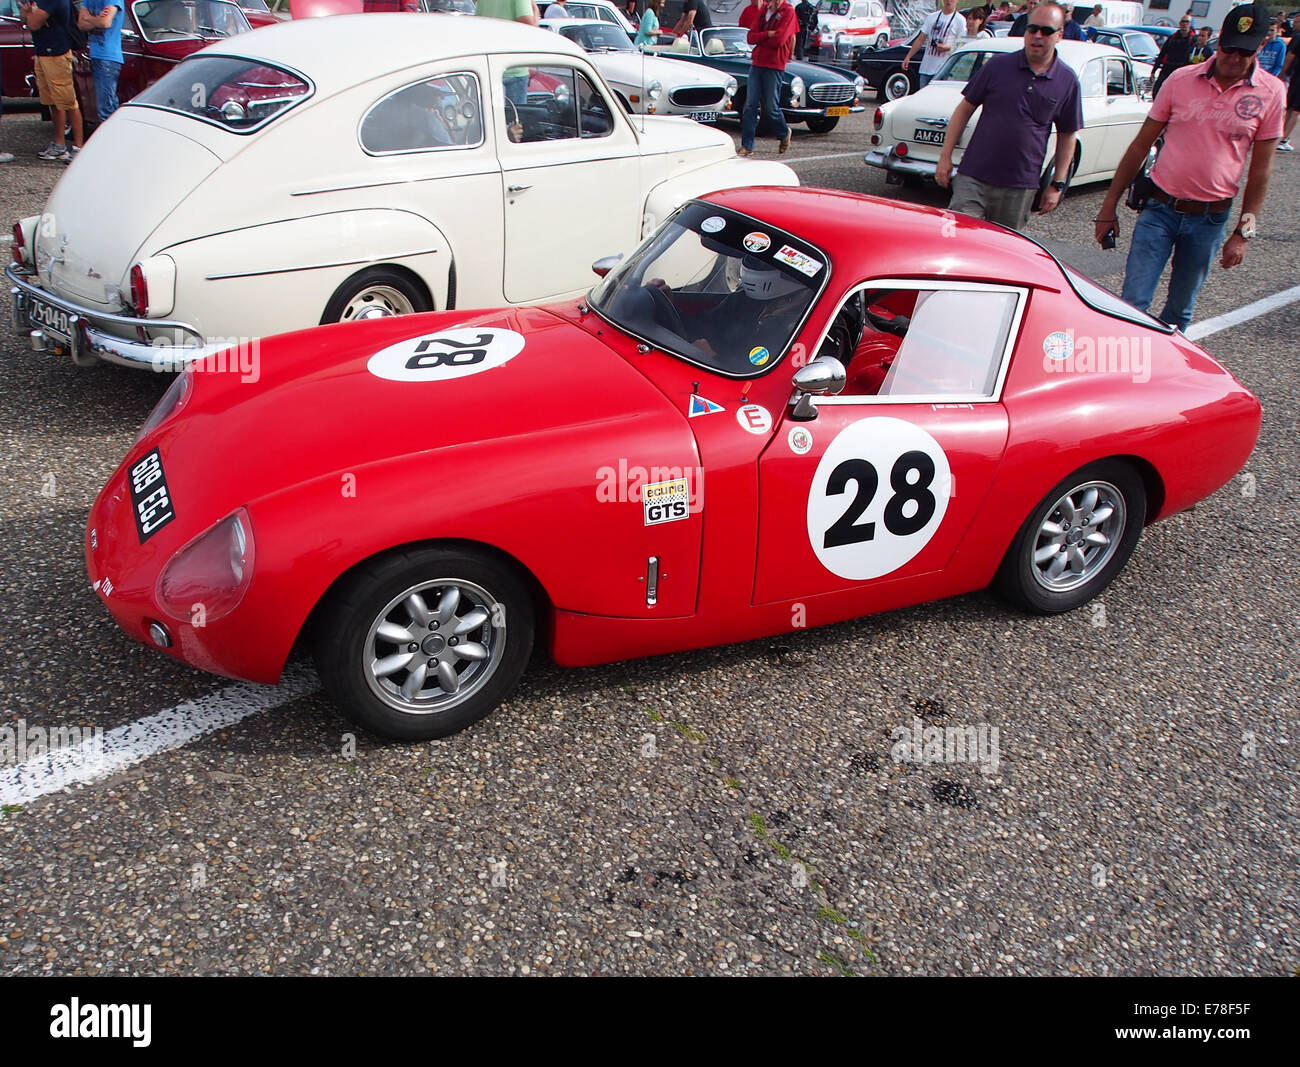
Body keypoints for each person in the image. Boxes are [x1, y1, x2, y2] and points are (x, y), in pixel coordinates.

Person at [1093, 2, 1284, 332]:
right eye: (1229, 49)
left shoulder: (1272, 93)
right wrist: (1108, 207)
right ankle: (1126, 374)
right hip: (1159, 210)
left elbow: (1262, 170)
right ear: (1217, 41)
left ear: (1261, 47)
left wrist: (1244, 231)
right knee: (1132, 303)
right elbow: (1140, 145)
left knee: (1180, 311)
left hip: (1210, 219)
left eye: (1245, 52)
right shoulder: (1181, 80)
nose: (1235, 59)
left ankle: (1164, 377)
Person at [937, 0, 1082, 231]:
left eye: (1046, 31)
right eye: (1032, 29)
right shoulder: (997, 67)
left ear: (1060, 34)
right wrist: (945, 157)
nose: (1037, 36)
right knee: (960, 242)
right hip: (974, 177)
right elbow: (964, 110)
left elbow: (1067, 134)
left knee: (1002, 253)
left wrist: (1058, 183)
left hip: (1019, 186)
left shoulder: (1067, 80)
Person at [20, 0, 84, 163]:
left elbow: (33, 24)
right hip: (43, 53)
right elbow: (25, 18)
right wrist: (27, 14)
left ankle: (78, 147)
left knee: (68, 101)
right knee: (52, 102)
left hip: (57, 53)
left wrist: (29, 15)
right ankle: (59, 144)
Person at [739, 0, 797, 156]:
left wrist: (763, 37)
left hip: (774, 64)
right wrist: (768, 34)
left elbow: (779, 39)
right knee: (750, 105)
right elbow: (750, 37)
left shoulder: (788, 11)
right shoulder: (764, 10)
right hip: (757, 62)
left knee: (771, 107)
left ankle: (784, 132)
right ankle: (747, 145)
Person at [80, 0, 123, 125]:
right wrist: (96, 20)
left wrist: (89, 18)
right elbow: (81, 24)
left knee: (106, 108)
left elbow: (105, 22)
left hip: (108, 56)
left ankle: (111, 141)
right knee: (105, 105)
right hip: (96, 55)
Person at [902, 0, 964, 89]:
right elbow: (921, 38)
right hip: (926, 67)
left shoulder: (960, 20)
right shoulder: (932, 17)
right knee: (923, 96)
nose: (948, 1)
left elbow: (961, 44)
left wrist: (948, 47)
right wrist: (908, 57)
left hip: (943, 69)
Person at [1152, 13, 1194, 95]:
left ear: (1190, 24)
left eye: (1187, 22)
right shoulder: (1172, 37)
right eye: (1183, 21)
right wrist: (1154, 70)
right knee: (1157, 90)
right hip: (1168, 68)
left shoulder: (1193, 40)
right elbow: (1162, 54)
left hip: (1182, 70)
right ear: (1180, 23)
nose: (1184, 24)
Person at [1279, 30, 1299, 150]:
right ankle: (1283, 138)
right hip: (1296, 76)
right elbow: (1290, 55)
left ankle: (1281, 136)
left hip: (1295, 76)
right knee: (1295, 109)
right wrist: (1282, 72)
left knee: (1291, 108)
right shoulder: (1298, 37)